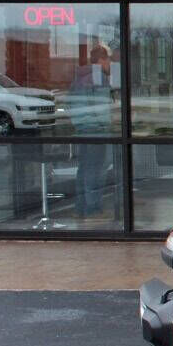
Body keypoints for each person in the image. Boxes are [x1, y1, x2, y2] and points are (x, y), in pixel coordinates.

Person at [70, 43, 114, 223]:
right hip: (96, 131)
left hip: (82, 129)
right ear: (101, 60)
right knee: (95, 171)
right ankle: (93, 209)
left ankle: (80, 208)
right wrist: (108, 125)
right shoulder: (97, 77)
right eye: (108, 60)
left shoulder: (79, 78)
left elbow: (72, 103)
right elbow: (101, 108)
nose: (110, 64)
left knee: (84, 169)